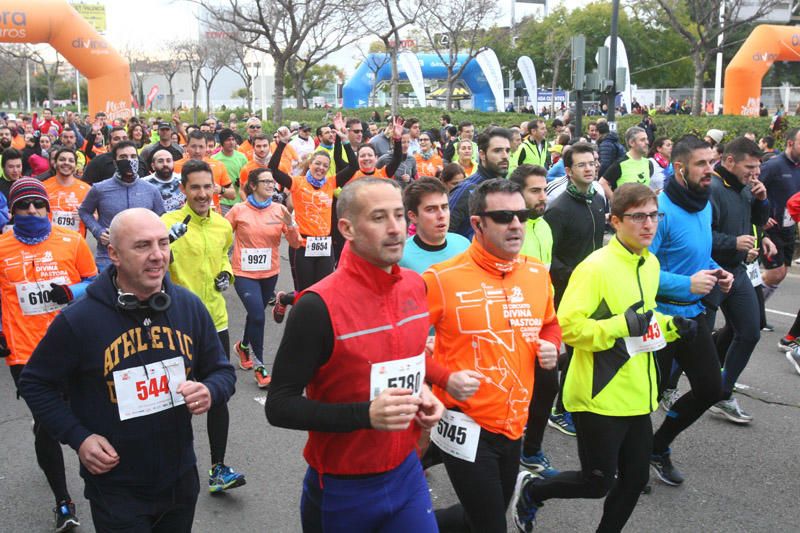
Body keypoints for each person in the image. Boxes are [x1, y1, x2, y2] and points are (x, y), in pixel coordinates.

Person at [19, 208, 236, 533]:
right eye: (142, 246)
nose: (158, 256)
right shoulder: (79, 320)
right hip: (115, 486)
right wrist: (79, 438)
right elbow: (35, 384)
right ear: (114, 254)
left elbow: (222, 372)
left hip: (179, 478)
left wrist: (210, 390)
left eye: (163, 243)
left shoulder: (189, 307)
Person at [266, 177, 445, 532]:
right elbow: (280, 406)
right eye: (379, 218)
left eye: (398, 215)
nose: (395, 229)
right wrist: (365, 415)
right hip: (342, 486)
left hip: (407, 473)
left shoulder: (415, 284)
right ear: (347, 228)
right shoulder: (317, 306)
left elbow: (407, 361)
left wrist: (424, 393)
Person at [512, 184, 694, 533]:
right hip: (598, 395)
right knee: (597, 482)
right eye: (638, 216)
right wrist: (618, 325)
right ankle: (533, 489)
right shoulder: (595, 268)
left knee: (634, 480)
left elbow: (643, 318)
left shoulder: (649, 262)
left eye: (654, 215)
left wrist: (672, 326)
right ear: (615, 221)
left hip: (638, 392)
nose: (649, 224)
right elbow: (568, 327)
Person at [424, 178, 561, 532]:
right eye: (502, 216)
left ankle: (407, 526)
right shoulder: (440, 279)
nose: (516, 224)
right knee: (490, 525)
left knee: (489, 512)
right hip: (463, 421)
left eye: (521, 215)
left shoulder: (535, 273)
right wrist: (445, 377)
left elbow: (549, 323)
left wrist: (551, 344)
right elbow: (399, 349)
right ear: (477, 224)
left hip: (514, 420)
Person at [0, 178, 97, 532]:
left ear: (48, 208)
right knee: (47, 426)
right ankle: (63, 502)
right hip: (25, 352)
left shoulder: (71, 242)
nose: (31, 211)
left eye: (37, 205)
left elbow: (95, 280)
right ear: (12, 211)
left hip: (73, 345)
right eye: (23, 206)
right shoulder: (1, 246)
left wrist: (71, 290)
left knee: (81, 415)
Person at [649, 135, 732, 486]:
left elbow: (697, 257)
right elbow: (641, 270)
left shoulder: (705, 204)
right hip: (658, 319)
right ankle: (628, 459)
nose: (710, 170)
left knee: (712, 389)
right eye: (702, 164)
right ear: (680, 168)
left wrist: (716, 271)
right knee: (643, 400)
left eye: (711, 162)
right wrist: (687, 284)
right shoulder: (659, 211)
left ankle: (658, 446)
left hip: (693, 317)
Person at [162, 160, 246, 493]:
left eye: (207, 187)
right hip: (177, 323)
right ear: (182, 189)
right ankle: (172, 470)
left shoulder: (223, 226)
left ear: (215, 189)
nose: (201, 194)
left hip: (216, 320)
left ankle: (218, 468)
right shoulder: (167, 223)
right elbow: (150, 265)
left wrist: (228, 273)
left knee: (217, 395)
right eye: (194, 187)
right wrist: (164, 244)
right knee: (174, 401)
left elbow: (225, 255)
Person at [707, 137, 772, 423]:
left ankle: (722, 393)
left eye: (757, 168)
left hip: (737, 271)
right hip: (709, 272)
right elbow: (702, 237)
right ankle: (668, 387)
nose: (754, 174)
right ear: (729, 161)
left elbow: (757, 221)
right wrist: (734, 242)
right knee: (692, 341)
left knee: (750, 331)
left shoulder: (746, 187)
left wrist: (762, 199)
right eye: (750, 168)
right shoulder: (712, 188)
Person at [544, 142, 606, 436]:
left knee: (588, 348)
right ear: (568, 171)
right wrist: (572, 275)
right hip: (567, 289)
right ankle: (559, 409)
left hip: (595, 285)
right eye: (582, 165)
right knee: (576, 347)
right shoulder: (558, 209)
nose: (589, 168)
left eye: (592, 163)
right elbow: (549, 253)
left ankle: (575, 399)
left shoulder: (598, 200)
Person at [226, 167, 301, 387]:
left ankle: (242, 347)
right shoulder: (239, 210)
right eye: (265, 181)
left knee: (255, 313)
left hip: (270, 272)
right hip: (243, 272)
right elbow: (220, 236)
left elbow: (296, 243)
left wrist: (291, 224)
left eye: (272, 182)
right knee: (258, 315)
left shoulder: (279, 210)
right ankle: (260, 367)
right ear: (253, 185)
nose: (271, 185)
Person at [79, 140, 165, 271]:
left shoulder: (151, 190)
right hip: (108, 258)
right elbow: (84, 211)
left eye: (133, 157)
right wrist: (98, 231)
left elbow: (162, 218)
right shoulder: (100, 188)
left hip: (143, 258)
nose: (129, 161)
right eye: (123, 157)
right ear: (115, 162)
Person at [759, 127, 800, 315]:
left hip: (789, 228)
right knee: (776, 273)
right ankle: (752, 311)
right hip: (772, 228)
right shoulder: (774, 165)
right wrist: (762, 216)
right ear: (790, 143)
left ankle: (755, 308)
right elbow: (754, 189)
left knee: (781, 274)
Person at [448, 127, 512, 239]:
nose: (505, 156)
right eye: (497, 150)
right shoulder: (467, 189)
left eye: (507, 151)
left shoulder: (508, 188)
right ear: (482, 155)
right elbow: (445, 234)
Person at [399, 177, 470, 273]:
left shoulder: (463, 244)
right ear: (413, 216)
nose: (441, 215)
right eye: (431, 209)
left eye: (444, 207)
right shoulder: (401, 257)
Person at [174, 131, 235, 214]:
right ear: (186, 147)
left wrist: (221, 190)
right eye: (193, 146)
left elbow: (232, 195)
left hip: (212, 217)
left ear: (206, 147)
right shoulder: (175, 166)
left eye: (201, 147)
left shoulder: (218, 165)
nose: (197, 151)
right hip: (184, 216)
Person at [43, 147, 91, 237]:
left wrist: (85, 215)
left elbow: (95, 216)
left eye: (71, 160)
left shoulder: (86, 189)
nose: (66, 163)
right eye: (62, 159)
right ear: (54, 164)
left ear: (75, 165)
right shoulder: (43, 187)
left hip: (75, 243)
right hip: (49, 242)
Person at [599, 126, 654, 200]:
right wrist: (615, 202)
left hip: (643, 210)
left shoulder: (648, 163)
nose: (647, 142)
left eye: (647, 139)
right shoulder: (621, 164)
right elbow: (602, 182)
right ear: (631, 143)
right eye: (642, 140)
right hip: (625, 211)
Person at [82, 126, 148, 185]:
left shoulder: (140, 161)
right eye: (116, 139)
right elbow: (86, 186)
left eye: (124, 138)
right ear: (110, 142)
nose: (121, 141)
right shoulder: (99, 161)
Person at [212, 128, 249, 214]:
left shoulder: (242, 157)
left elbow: (247, 177)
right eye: (228, 140)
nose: (231, 142)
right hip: (222, 201)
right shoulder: (215, 159)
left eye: (233, 139)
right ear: (222, 143)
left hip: (239, 200)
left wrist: (240, 181)